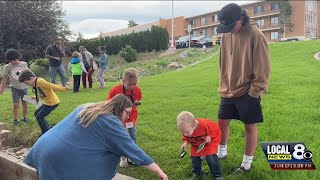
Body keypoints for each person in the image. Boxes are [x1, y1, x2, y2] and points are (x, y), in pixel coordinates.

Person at [23, 94, 168, 180]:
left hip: (43, 150)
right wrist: (158, 171)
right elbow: (132, 150)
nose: (128, 117)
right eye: (127, 113)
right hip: (61, 162)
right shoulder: (110, 122)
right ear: (119, 109)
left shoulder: (88, 107)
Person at [216, 3, 271, 174]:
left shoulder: (255, 35)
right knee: (222, 122)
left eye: (232, 26)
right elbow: (223, 61)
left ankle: (246, 164)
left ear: (241, 18)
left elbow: (263, 67)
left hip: (248, 90)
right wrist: (224, 81)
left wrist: (255, 91)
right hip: (228, 88)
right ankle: (221, 153)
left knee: (249, 126)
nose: (230, 30)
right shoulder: (226, 34)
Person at [107, 68, 141, 167]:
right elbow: (109, 104)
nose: (132, 87)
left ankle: (132, 155)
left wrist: (136, 102)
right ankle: (123, 157)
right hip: (119, 117)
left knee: (132, 135)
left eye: (134, 84)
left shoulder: (137, 89)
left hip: (131, 116)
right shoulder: (115, 91)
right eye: (130, 84)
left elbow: (138, 97)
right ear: (123, 81)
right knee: (121, 136)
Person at [19, 69, 69, 136]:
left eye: (27, 83)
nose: (27, 84)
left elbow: (50, 86)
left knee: (39, 116)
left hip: (52, 103)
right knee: (36, 114)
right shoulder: (35, 83)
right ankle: (47, 128)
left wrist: (64, 89)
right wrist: (35, 97)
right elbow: (42, 92)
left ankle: (45, 132)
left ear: (31, 78)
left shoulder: (40, 81)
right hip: (47, 102)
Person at [177, 111, 223, 180]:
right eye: (183, 132)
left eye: (187, 132)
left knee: (210, 157)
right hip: (197, 143)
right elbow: (187, 138)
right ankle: (197, 173)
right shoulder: (187, 129)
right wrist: (185, 144)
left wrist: (209, 136)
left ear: (194, 125)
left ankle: (218, 174)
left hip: (210, 142)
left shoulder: (204, 124)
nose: (185, 134)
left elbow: (215, 128)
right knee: (194, 158)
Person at [0, 49, 29, 126]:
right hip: (14, 88)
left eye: (14, 60)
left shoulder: (24, 64)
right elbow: (5, 78)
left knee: (25, 104)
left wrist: (34, 84)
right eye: (11, 60)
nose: (13, 62)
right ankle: (15, 120)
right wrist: (1, 88)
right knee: (16, 105)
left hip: (24, 88)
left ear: (18, 57)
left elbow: (28, 75)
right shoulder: (7, 67)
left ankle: (24, 118)